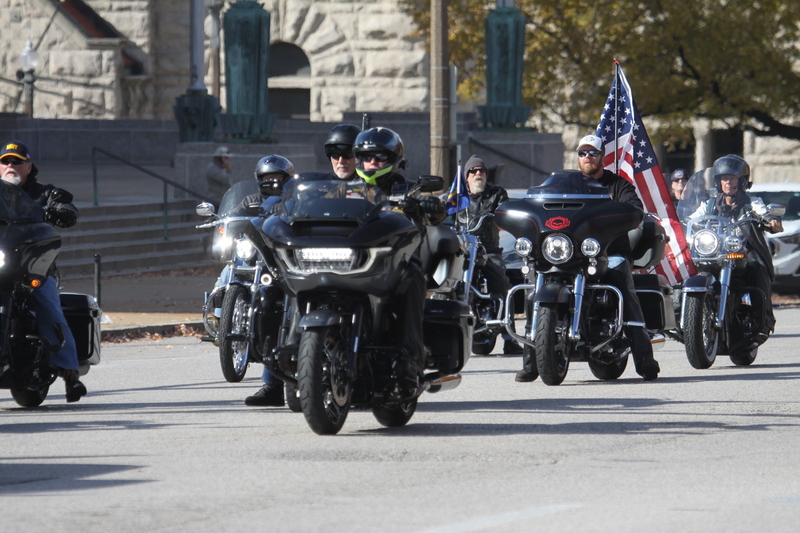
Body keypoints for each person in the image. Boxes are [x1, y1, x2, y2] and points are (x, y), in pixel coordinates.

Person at [517, 134, 660, 382]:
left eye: (592, 153)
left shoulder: (618, 185)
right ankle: (532, 362)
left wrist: (628, 212)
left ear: (601, 157)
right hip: (568, 253)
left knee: (624, 287)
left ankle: (644, 358)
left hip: (608, 252)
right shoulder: (565, 185)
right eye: (583, 153)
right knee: (534, 292)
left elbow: (635, 208)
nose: (587, 157)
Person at [353, 127, 446, 387]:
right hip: (355, 262)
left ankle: (411, 362)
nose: (372, 163)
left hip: (396, 263)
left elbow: (437, 213)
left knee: (412, 278)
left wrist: (431, 206)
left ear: (395, 160)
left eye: (380, 158)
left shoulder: (410, 189)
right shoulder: (344, 190)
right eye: (367, 157)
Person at [0, 141, 86, 401]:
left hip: (31, 270)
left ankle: (71, 374)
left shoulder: (43, 192)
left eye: (17, 161)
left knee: (48, 305)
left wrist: (62, 210)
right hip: (1, 263)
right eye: (5, 161)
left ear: (29, 165)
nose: (10, 166)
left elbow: (65, 206)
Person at [211, 154, 295, 407]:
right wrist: (221, 221)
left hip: (278, 260)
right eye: (266, 178)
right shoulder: (251, 199)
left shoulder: (295, 199)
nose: (272, 182)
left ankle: (273, 383)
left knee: (277, 314)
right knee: (228, 272)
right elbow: (233, 215)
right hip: (251, 256)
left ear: (287, 179)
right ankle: (219, 313)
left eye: (277, 178)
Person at [689, 154, 782, 340]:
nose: (728, 182)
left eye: (732, 178)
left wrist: (771, 220)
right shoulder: (709, 205)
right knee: (691, 268)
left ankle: (762, 320)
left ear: (741, 181)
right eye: (724, 178)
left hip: (743, 250)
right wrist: (676, 225)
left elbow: (763, 213)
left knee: (757, 268)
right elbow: (691, 219)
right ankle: (687, 314)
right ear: (718, 181)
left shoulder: (751, 203)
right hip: (715, 251)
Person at [457, 155, 523, 355]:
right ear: (466, 176)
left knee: (502, 284)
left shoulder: (496, 194)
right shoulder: (457, 196)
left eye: (482, 171)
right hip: (461, 249)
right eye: (474, 171)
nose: (478, 174)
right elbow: (442, 215)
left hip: (488, 250)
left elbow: (505, 212)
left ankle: (509, 338)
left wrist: (501, 216)